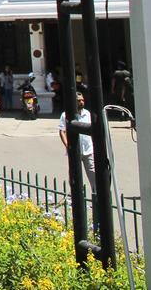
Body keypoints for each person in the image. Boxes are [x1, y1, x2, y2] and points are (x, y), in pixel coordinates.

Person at [58, 91, 98, 224]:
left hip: (89, 151)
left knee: (93, 174)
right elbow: (62, 131)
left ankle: (96, 198)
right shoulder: (66, 115)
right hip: (74, 151)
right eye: (79, 100)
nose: (81, 102)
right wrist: (67, 145)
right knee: (74, 176)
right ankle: (76, 197)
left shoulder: (88, 114)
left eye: (82, 100)